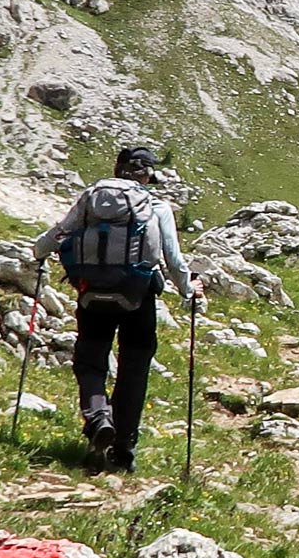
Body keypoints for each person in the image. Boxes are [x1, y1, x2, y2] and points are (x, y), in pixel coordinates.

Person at [31, 142, 201, 472]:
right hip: (138, 296)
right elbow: (174, 260)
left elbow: (56, 234)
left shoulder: (91, 198)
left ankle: (98, 419)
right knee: (134, 367)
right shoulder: (156, 206)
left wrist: (38, 254)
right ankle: (123, 448)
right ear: (147, 176)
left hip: (91, 293)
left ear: (117, 169)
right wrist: (188, 290)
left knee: (91, 361)